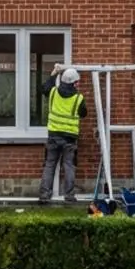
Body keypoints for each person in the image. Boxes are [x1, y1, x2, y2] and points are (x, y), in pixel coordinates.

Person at [38, 63, 87, 204]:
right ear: (74, 82)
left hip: (53, 136)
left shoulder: (53, 92)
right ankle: (69, 196)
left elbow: (44, 88)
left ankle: (44, 195)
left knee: (50, 165)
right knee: (69, 166)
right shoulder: (78, 98)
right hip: (69, 139)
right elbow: (83, 114)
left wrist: (54, 73)